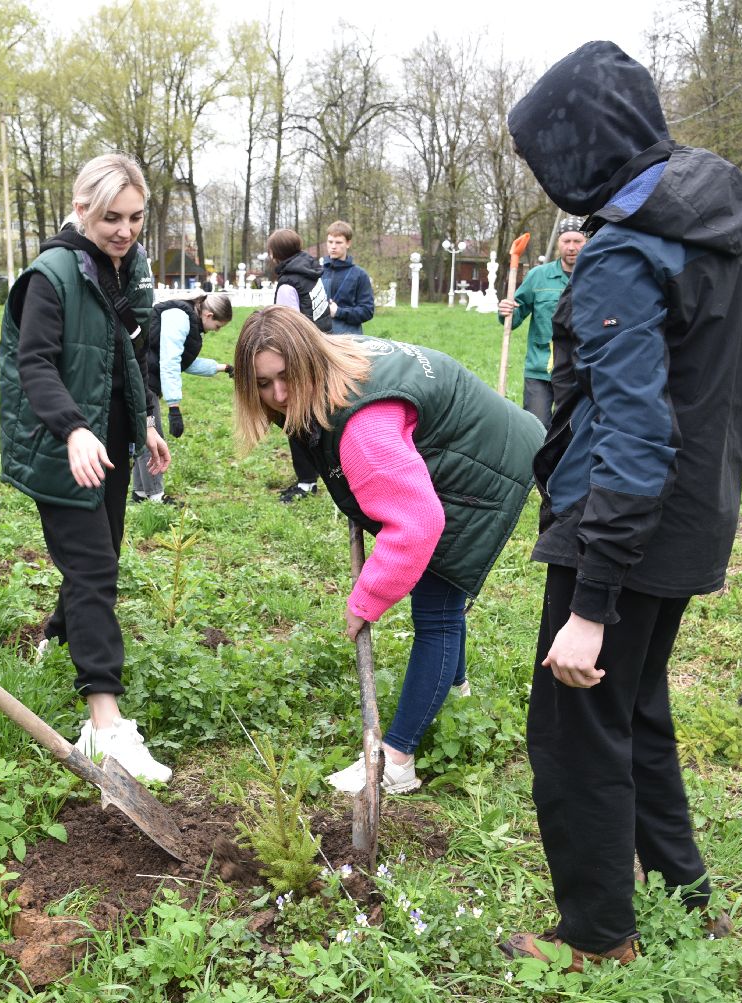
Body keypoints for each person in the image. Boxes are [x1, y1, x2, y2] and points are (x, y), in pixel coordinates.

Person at [501, 40, 742, 971]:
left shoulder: (623, 253)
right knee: (637, 711)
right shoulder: (720, 230)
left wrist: (589, 602)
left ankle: (598, 937)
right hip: (693, 521)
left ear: (582, 144)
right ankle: (686, 897)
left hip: (621, 526)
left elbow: (637, 433)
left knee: (575, 732)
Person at [230, 306, 544, 793]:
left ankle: (395, 760)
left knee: (436, 611)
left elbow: (418, 525)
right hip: (475, 440)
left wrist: (366, 601)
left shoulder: (362, 425)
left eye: (287, 378)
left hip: (480, 467)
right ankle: (456, 694)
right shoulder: (335, 360)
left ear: (309, 359)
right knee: (444, 599)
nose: (279, 395)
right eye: (264, 385)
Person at [0, 153, 174, 784]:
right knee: (95, 566)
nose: (124, 230)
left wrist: (147, 422)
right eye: (110, 218)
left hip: (112, 441)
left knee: (99, 555)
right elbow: (35, 364)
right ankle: (104, 723)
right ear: (80, 209)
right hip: (64, 445)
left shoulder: (126, 271)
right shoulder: (51, 275)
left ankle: (55, 632)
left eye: (134, 218)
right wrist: (73, 429)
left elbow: (132, 357)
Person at [131, 292, 235, 505]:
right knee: (154, 438)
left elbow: (184, 363)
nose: (217, 331)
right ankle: (156, 496)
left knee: (145, 435)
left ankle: (141, 492)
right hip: (142, 380)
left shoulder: (191, 321)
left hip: (146, 378)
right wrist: (174, 407)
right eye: (218, 326)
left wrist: (222, 368)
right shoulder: (179, 317)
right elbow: (169, 362)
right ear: (208, 315)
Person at [498, 217, 586, 428]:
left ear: (586, 242)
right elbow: (515, 316)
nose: (572, 247)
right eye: (566, 241)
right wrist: (506, 311)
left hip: (580, 370)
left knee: (571, 431)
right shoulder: (539, 277)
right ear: (558, 243)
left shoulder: (596, 276)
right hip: (541, 369)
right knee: (536, 428)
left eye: (577, 241)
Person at [267, 228, 332, 503]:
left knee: (297, 420)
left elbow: (286, 327)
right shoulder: (311, 274)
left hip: (302, 358)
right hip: (323, 349)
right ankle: (320, 473)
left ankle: (306, 482)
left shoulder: (288, 284)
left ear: (274, 255)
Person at [321, 220, 376, 336]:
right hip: (321, 338)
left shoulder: (359, 275)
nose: (333, 247)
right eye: (330, 242)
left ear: (348, 243)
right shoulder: (318, 272)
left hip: (349, 340)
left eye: (338, 242)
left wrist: (338, 312)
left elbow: (367, 311)